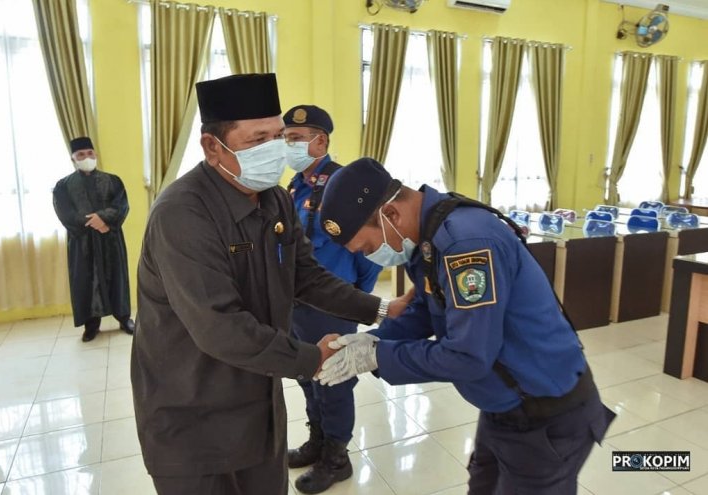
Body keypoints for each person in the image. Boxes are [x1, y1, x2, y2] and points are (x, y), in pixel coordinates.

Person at [130, 74, 409, 495]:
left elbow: (305, 276)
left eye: (278, 136)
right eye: (257, 139)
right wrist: (313, 359)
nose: (274, 148)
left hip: (258, 400)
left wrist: (382, 309)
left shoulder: (274, 199)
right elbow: (218, 325)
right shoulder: (182, 214)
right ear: (212, 147)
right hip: (193, 409)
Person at [316, 158, 616, 494]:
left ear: (391, 215)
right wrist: (368, 343)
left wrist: (378, 356)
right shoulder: (429, 235)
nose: (371, 257)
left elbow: (468, 356)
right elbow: (427, 311)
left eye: (368, 248)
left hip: (544, 416)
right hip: (503, 406)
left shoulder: (466, 245)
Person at [283, 105, 382, 493]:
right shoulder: (295, 186)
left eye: (295, 138)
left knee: (335, 382)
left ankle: (336, 458)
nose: (288, 145)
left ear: (320, 140)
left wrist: (355, 297)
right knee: (308, 374)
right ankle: (317, 441)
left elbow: (369, 250)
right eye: (286, 138)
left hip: (334, 304)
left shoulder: (344, 184)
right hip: (299, 302)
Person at [52, 137, 134, 342]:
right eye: (81, 155)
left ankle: (124, 318)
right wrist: (94, 221)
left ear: (95, 154)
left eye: (89, 153)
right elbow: (65, 213)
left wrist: (105, 219)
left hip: (110, 239)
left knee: (117, 277)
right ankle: (91, 324)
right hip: (82, 243)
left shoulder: (113, 180)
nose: (86, 157)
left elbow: (122, 205)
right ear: (73, 159)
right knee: (85, 280)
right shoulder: (63, 186)